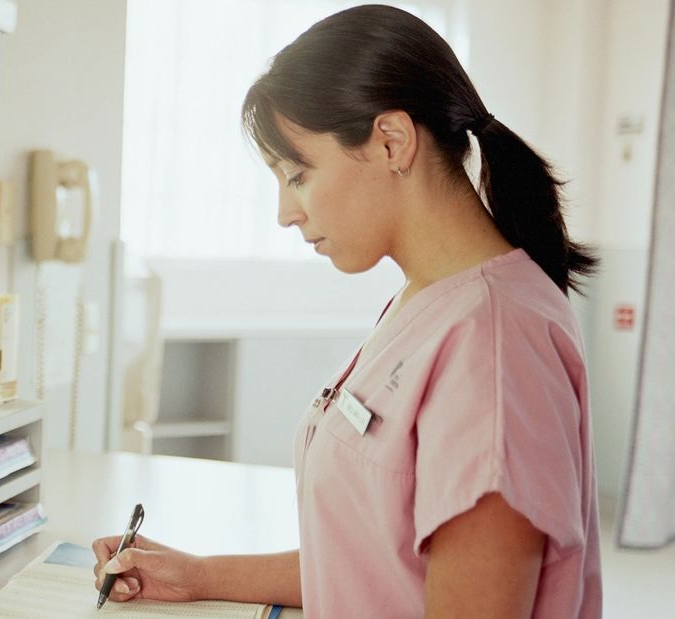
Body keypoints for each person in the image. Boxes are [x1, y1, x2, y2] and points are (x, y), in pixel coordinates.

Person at [92, 5, 602, 617]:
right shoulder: (425, 303)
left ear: (391, 141)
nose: (286, 212)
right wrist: (196, 576)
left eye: (297, 174)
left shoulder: (494, 344)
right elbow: (375, 560)